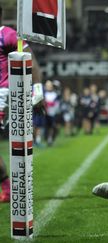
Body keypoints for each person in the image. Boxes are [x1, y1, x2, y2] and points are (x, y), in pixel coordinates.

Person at [0, 5, 42, 202]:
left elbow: (30, 61)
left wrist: (38, 91)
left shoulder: (5, 34)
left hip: (3, 93)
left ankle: (8, 189)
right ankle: (7, 189)